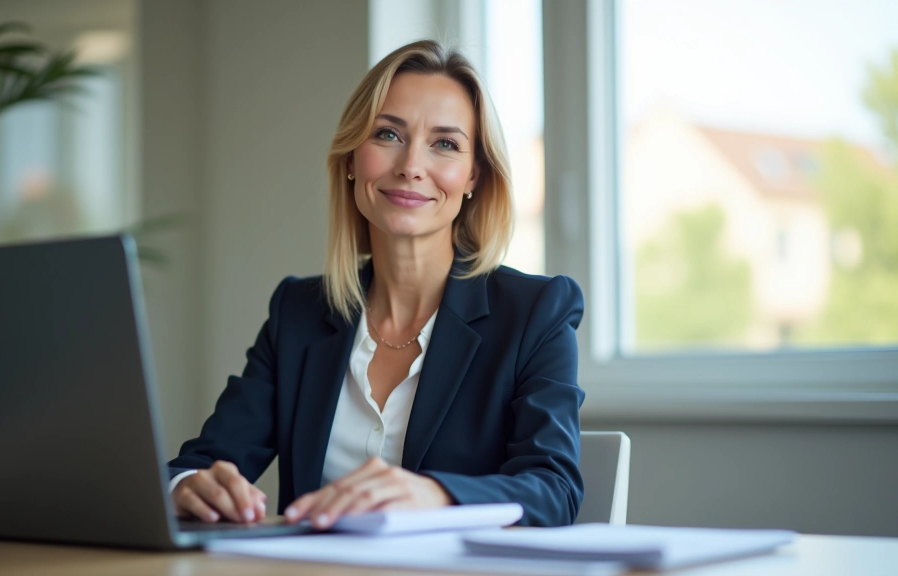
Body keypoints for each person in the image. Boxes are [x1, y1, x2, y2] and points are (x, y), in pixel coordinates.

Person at [167, 39, 585, 529]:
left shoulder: (536, 311)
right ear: (350, 159)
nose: (411, 165)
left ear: (474, 175)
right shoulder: (297, 312)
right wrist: (189, 486)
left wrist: (434, 495)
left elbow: (554, 489)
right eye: (388, 134)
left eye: (445, 144)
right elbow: (203, 463)